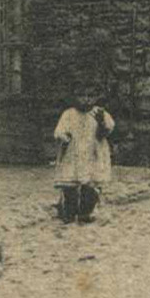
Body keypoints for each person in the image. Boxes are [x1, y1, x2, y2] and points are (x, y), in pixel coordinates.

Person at [53, 89, 114, 224]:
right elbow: (59, 131)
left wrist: (101, 123)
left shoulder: (99, 113)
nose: (86, 99)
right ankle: (69, 211)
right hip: (73, 153)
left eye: (90, 96)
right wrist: (64, 136)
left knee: (91, 184)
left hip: (93, 153)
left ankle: (85, 212)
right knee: (70, 184)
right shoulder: (69, 114)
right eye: (81, 95)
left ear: (96, 97)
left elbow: (106, 132)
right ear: (74, 97)